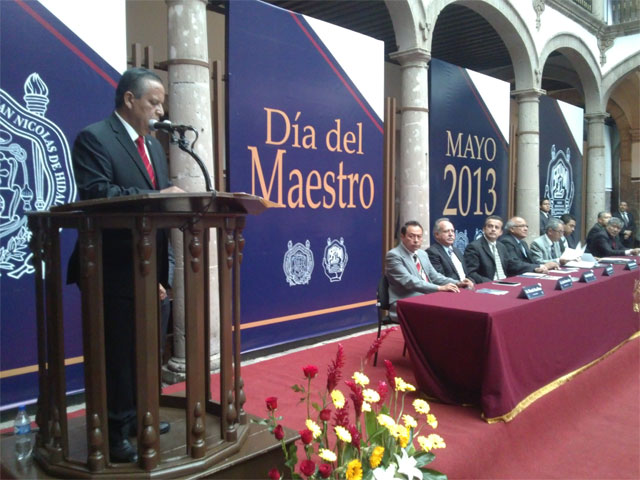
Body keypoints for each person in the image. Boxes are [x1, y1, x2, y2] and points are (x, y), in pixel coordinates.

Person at [67, 68, 183, 463]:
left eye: (162, 103)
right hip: (110, 268)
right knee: (117, 355)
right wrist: (156, 196)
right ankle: (114, 432)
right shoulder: (95, 138)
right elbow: (98, 192)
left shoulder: (153, 147)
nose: (160, 110)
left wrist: (162, 276)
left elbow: (158, 215)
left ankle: (136, 417)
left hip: (148, 268)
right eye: (154, 102)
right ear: (130, 100)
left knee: (144, 352)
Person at [385, 220, 473, 319]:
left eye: (419, 236)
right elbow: (409, 281)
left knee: (459, 304)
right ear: (402, 236)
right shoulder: (394, 255)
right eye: (411, 236)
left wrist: (457, 283)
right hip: (405, 302)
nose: (416, 240)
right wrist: (439, 288)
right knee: (446, 312)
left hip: (427, 297)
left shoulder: (422, 254)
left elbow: (435, 276)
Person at [464, 215, 520, 284]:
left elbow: (510, 266)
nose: (493, 229)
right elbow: (471, 273)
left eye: (497, 227)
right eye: (490, 226)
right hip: (488, 284)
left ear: (501, 232)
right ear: (484, 229)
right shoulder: (474, 247)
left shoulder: (502, 247)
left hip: (505, 282)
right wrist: (491, 283)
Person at [426, 218, 473, 284]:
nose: (450, 234)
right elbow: (439, 279)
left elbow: (466, 274)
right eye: (446, 231)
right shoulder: (432, 252)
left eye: (452, 231)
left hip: (466, 286)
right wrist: (460, 284)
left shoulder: (456, 251)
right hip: (452, 288)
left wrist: (471, 281)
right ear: (437, 235)